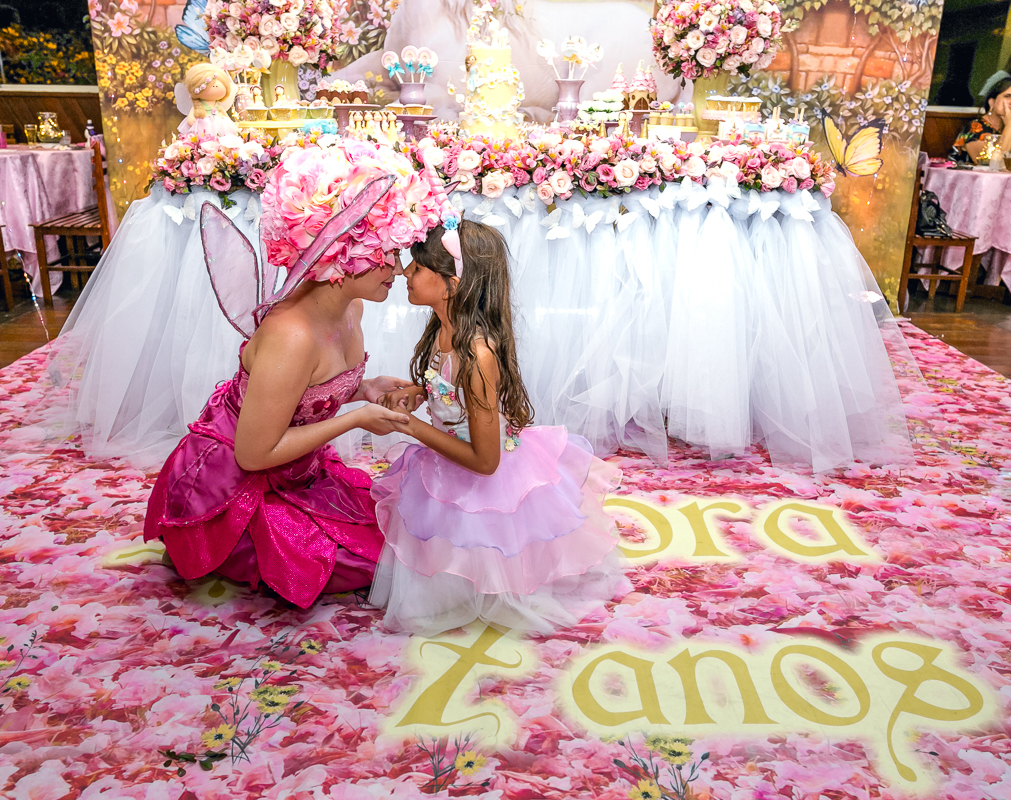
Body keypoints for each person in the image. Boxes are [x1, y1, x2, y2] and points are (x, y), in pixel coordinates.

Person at [144, 178, 413, 609]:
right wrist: (356, 419)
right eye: (388, 257)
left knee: (400, 529)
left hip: (296, 467)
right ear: (341, 260)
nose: (398, 270)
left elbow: (307, 395)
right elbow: (252, 455)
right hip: (234, 486)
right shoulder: (291, 335)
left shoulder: (350, 307)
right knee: (365, 559)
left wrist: (363, 389)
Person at [368, 215, 628, 637]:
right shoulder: (442, 330)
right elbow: (450, 395)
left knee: (475, 560)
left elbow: (486, 462)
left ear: (452, 283)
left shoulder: (477, 355)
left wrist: (410, 427)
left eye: (416, 268)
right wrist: (422, 392)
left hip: (486, 478)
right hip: (447, 461)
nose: (404, 274)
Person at [951, 71, 1011, 164]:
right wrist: (1010, 125)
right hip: (967, 178)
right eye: (1007, 96)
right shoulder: (975, 127)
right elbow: (992, 164)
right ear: (992, 102)